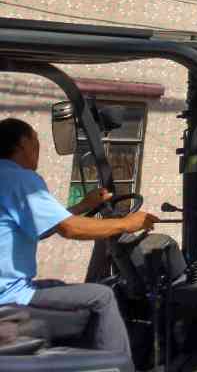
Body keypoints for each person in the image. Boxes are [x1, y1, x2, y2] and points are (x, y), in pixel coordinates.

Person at [0, 117, 157, 355]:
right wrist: (126, 223)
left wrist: (83, 205)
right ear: (23, 143)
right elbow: (70, 229)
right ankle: (116, 367)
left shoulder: (5, 177)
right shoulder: (20, 179)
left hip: (10, 288)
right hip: (9, 295)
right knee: (102, 297)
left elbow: (44, 226)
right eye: (36, 141)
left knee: (60, 286)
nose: (38, 149)